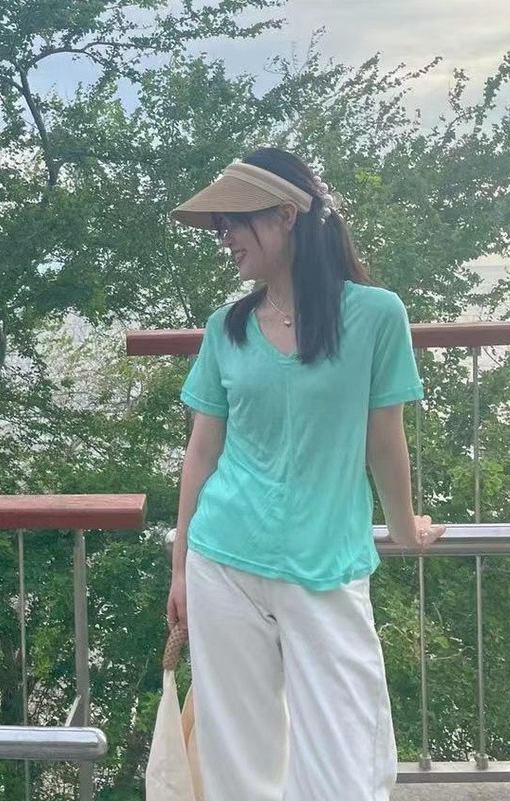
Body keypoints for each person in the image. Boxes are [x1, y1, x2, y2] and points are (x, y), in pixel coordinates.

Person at [166, 146, 445, 800]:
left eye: (235, 222)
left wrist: (404, 527)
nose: (225, 239)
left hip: (325, 565)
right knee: (240, 765)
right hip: (223, 561)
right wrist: (179, 568)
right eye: (219, 227)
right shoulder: (227, 329)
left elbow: (384, 440)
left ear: (285, 216)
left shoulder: (376, 315)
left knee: (347, 764)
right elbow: (202, 452)